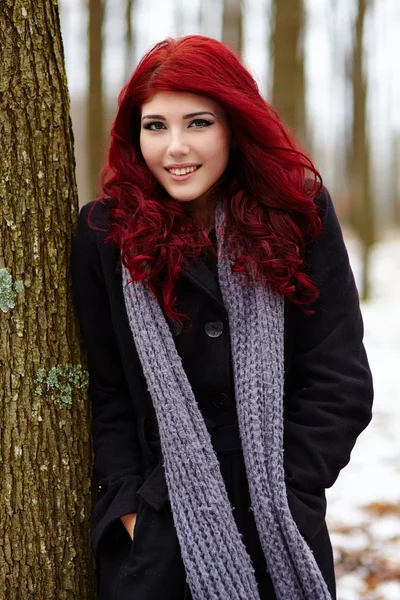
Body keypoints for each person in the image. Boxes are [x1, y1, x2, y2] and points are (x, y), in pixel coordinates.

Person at [71, 35, 373, 600]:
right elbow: (106, 390)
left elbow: (340, 378)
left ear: (235, 123)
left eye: (198, 122)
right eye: (155, 125)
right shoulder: (106, 234)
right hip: (160, 528)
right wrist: (130, 506)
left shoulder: (296, 213)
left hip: (277, 520)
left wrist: (289, 487)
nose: (175, 147)